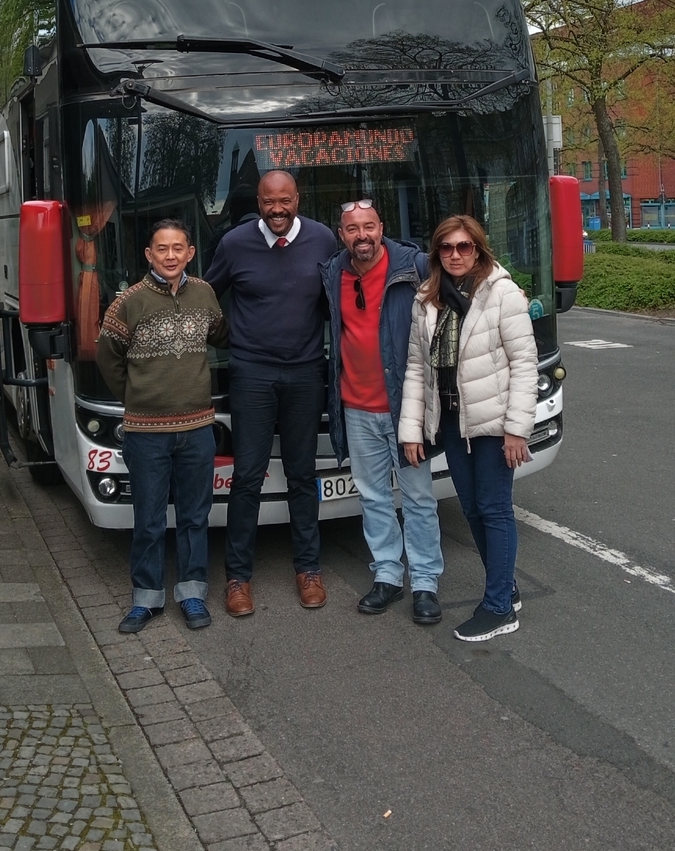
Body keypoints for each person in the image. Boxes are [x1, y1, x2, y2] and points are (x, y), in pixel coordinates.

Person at [399, 214, 537, 642]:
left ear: (478, 249)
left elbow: (525, 365)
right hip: (453, 422)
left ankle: (498, 607)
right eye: (446, 247)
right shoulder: (427, 298)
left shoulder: (502, 293)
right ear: (436, 252)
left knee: (494, 509)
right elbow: (417, 369)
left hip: (494, 423)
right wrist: (410, 430)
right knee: (473, 509)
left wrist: (516, 430)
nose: (455, 255)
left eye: (464, 247)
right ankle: (506, 586)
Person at [205, 170, 337, 616]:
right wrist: (228, 338)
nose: (277, 209)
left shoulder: (323, 240)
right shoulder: (235, 244)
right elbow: (206, 297)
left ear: (297, 198)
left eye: (285, 200)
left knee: (302, 476)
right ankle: (238, 579)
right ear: (257, 202)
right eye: (268, 202)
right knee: (247, 478)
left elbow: (340, 296)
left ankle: (309, 570)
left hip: (304, 374)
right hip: (252, 375)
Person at [97, 219, 228, 635]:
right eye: (161, 249)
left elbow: (222, 334)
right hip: (145, 434)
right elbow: (108, 359)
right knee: (149, 519)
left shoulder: (205, 293)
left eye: (178, 248)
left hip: (197, 430)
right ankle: (147, 600)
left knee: (194, 516)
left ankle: (191, 594)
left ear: (190, 253)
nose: (170, 256)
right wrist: (138, 396)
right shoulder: (128, 303)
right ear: (149, 255)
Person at [321, 201, 444, 623]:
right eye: (352, 229)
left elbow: (470, 274)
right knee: (373, 497)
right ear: (342, 235)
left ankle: (426, 583)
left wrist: (507, 289)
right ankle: (388, 575)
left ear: (381, 228)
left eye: (368, 227)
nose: (362, 236)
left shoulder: (415, 265)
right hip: (355, 408)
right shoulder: (332, 272)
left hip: (405, 407)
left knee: (418, 498)